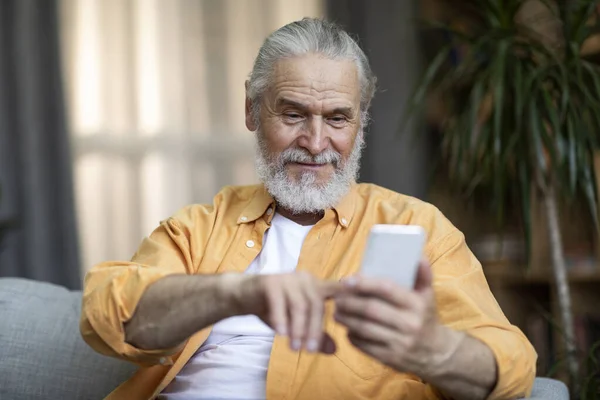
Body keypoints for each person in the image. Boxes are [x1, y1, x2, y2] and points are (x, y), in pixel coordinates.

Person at [80, 18, 536, 400]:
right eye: (293, 114)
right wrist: (235, 294)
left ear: (361, 118)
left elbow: (510, 365)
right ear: (252, 111)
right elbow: (108, 314)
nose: (316, 143)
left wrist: (431, 348)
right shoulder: (203, 226)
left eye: (337, 118)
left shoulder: (418, 229)